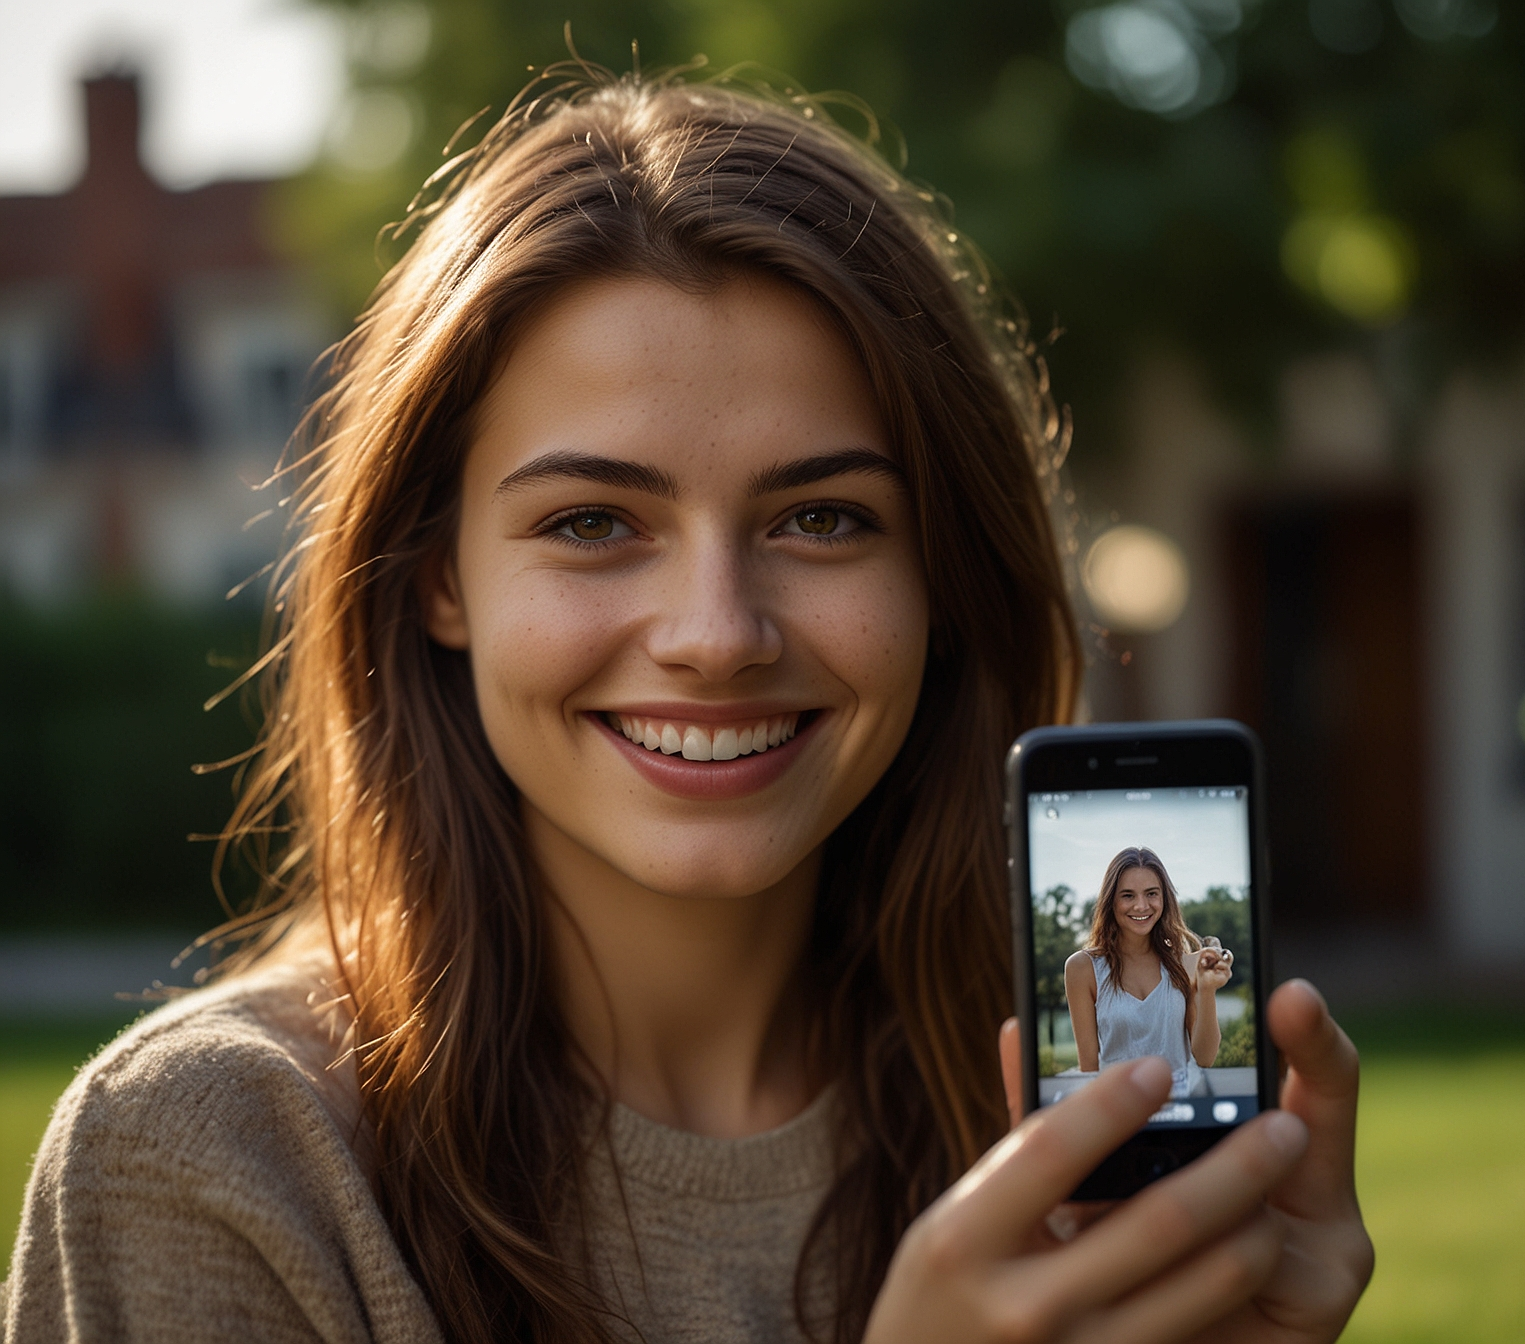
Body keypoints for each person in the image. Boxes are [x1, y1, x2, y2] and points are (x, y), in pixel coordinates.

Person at [2, 65, 1372, 1344]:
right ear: (439, 578)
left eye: (823, 518)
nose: (717, 636)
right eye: (593, 522)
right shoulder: (209, 1154)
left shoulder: (1055, 1127)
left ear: (943, 577)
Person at [1065, 847, 1235, 1096]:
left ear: (1164, 898)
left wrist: (1207, 990)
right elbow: (1089, 1069)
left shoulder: (1185, 964)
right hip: (1117, 1106)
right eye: (1128, 895)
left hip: (1179, 1108)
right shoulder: (1083, 968)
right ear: (1111, 901)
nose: (1141, 906)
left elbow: (1205, 1058)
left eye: (1151, 894)